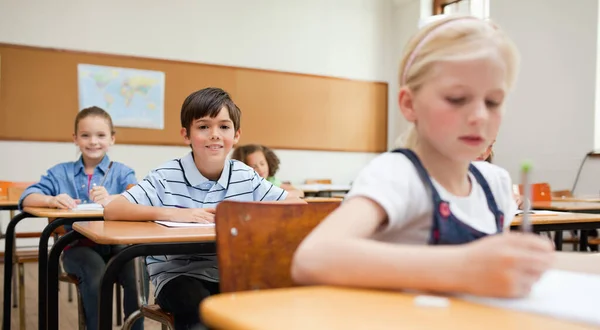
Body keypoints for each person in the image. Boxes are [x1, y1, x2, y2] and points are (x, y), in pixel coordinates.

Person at [291, 15, 554, 299]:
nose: (479, 116)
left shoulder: (495, 183)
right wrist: (465, 266)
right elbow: (312, 258)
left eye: (493, 102)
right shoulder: (398, 175)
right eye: (456, 98)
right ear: (409, 104)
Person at [104, 87, 301, 329]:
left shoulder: (244, 175)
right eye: (204, 126)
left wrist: (246, 217)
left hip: (231, 273)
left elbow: (296, 207)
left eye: (224, 127)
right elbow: (114, 209)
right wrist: (175, 213)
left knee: (277, 304)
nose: (215, 134)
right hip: (178, 276)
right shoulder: (167, 175)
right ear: (186, 135)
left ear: (236, 135)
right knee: (197, 311)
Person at [20, 106, 144, 330]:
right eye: (85, 135)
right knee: (95, 273)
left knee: (135, 269)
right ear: (75, 139)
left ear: (112, 139)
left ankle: (136, 327)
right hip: (76, 246)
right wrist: (51, 200)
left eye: (101, 135)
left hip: (116, 244)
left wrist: (113, 197)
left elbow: (139, 196)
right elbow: (27, 197)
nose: (93, 141)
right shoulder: (60, 173)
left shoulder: (122, 172)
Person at [231, 144, 304, 198]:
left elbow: (299, 192)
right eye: (254, 166)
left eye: (262, 164)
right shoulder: (243, 186)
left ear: (268, 162)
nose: (260, 169)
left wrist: (279, 194)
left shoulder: (271, 181)